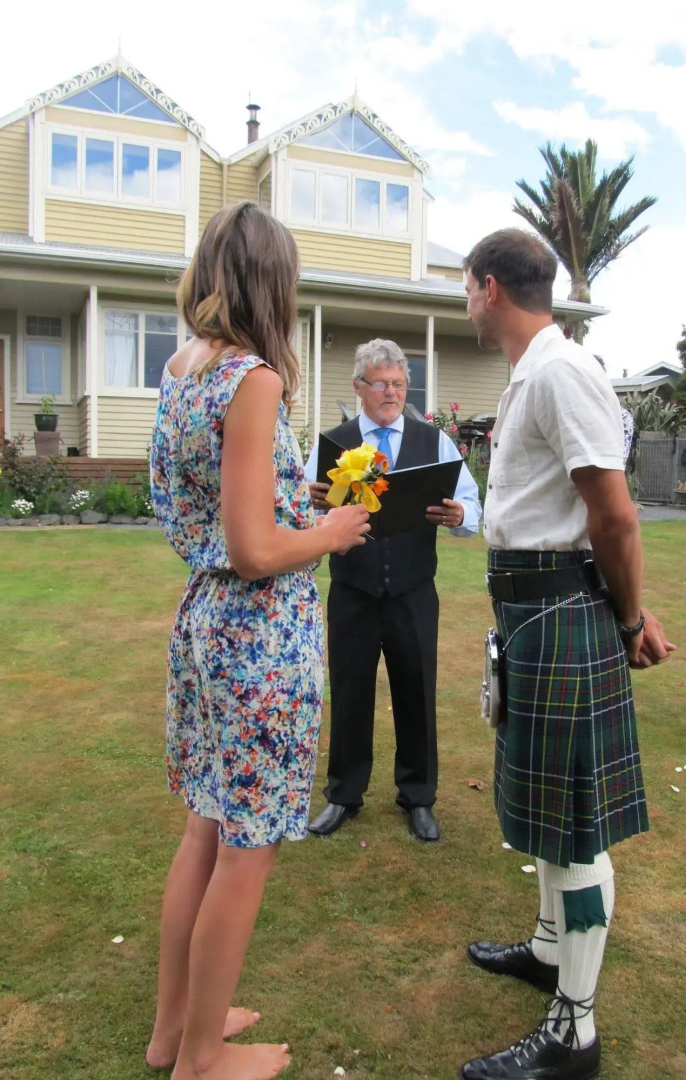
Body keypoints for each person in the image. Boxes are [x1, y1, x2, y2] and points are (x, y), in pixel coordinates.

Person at [146, 202, 369, 1080]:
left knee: (205, 826)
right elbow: (254, 550)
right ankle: (202, 1059)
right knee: (247, 848)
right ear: (270, 283)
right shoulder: (254, 379)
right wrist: (331, 531)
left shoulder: (180, 367)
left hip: (205, 624)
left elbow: (231, 517)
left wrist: (292, 513)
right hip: (258, 637)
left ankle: (175, 1030)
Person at [458, 229, 676, 1080]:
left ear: (487, 288)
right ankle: (551, 949)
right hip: (531, 612)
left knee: (576, 826)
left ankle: (573, 1033)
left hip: (558, 612)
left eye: (463, 288)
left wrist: (627, 622)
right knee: (551, 811)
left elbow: (613, 516)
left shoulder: (558, 371)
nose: (462, 301)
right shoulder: (532, 374)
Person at [304, 339, 482, 843]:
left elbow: (470, 502)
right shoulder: (331, 445)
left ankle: (418, 797)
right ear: (359, 387)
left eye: (400, 384)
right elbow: (302, 513)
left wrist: (461, 514)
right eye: (381, 383)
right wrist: (312, 500)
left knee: (417, 691)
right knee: (350, 691)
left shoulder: (435, 442)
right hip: (353, 590)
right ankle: (343, 795)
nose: (391, 393)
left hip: (412, 590)